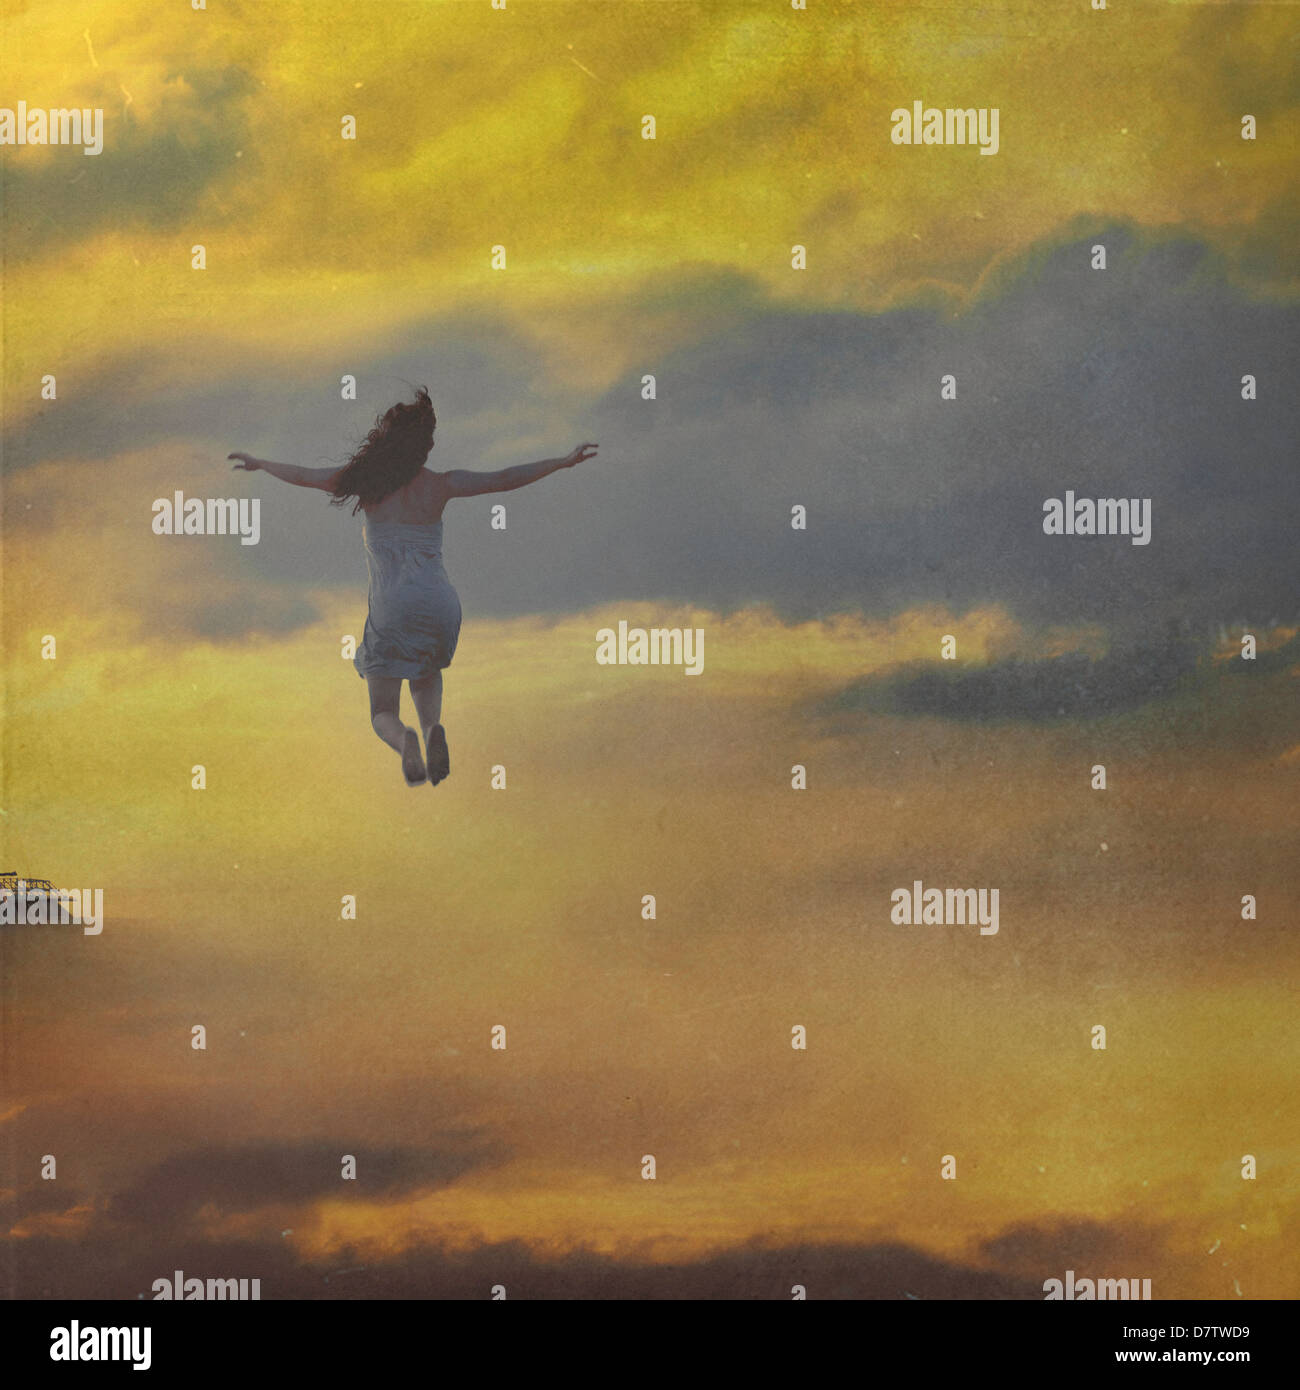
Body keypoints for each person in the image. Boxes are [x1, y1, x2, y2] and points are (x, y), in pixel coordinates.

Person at [230, 387, 597, 786]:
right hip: (441, 602)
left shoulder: (364, 484)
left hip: (393, 605)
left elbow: (304, 476)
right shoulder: (441, 485)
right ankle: (431, 727)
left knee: (382, 710)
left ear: (383, 441)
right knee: (426, 667)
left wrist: (261, 464)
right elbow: (504, 480)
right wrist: (563, 462)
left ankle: (405, 737)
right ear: (424, 447)